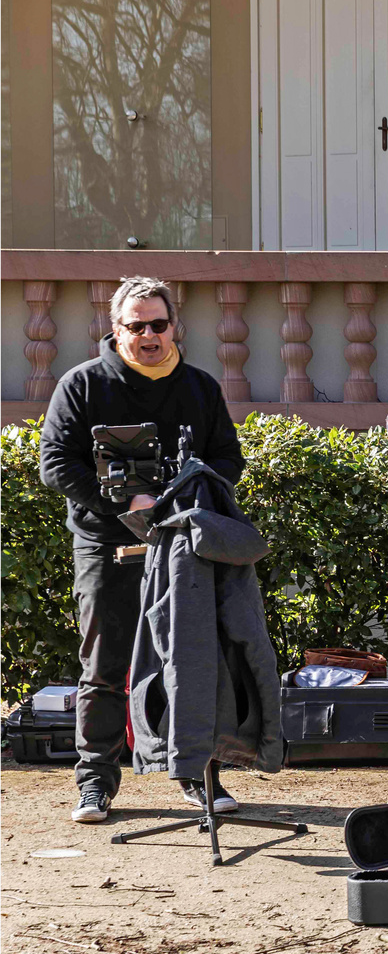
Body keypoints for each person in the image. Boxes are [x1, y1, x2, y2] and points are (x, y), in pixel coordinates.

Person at [39, 275, 246, 823]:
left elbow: (228, 457)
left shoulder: (200, 386)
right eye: (137, 326)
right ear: (116, 329)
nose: (149, 336)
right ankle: (95, 785)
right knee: (104, 667)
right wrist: (124, 503)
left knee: (192, 664)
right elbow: (56, 464)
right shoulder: (81, 385)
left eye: (159, 324)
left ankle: (200, 779)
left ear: (175, 325)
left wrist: (187, 493)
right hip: (105, 544)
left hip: (182, 547)